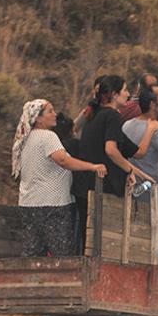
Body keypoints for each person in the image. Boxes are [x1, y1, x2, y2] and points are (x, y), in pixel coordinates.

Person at [11, 99, 107, 257]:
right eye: (50, 111)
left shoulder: (25, 139)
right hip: (52, 204)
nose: (55, 114)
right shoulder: (48, 137)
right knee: (61, 253)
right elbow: (62, 160)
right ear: (39, 118)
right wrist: (92, 166)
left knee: (33, 251)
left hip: (28, 204)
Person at [72, 75, 155, 252]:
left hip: (84, 185)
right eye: (125, 90)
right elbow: (111, 150)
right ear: (114, 95)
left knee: (86, 238)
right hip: (101, 186)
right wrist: (129, 170)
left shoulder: (94, 115)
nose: (128, 94)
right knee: (102, 241)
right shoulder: (111, 116)